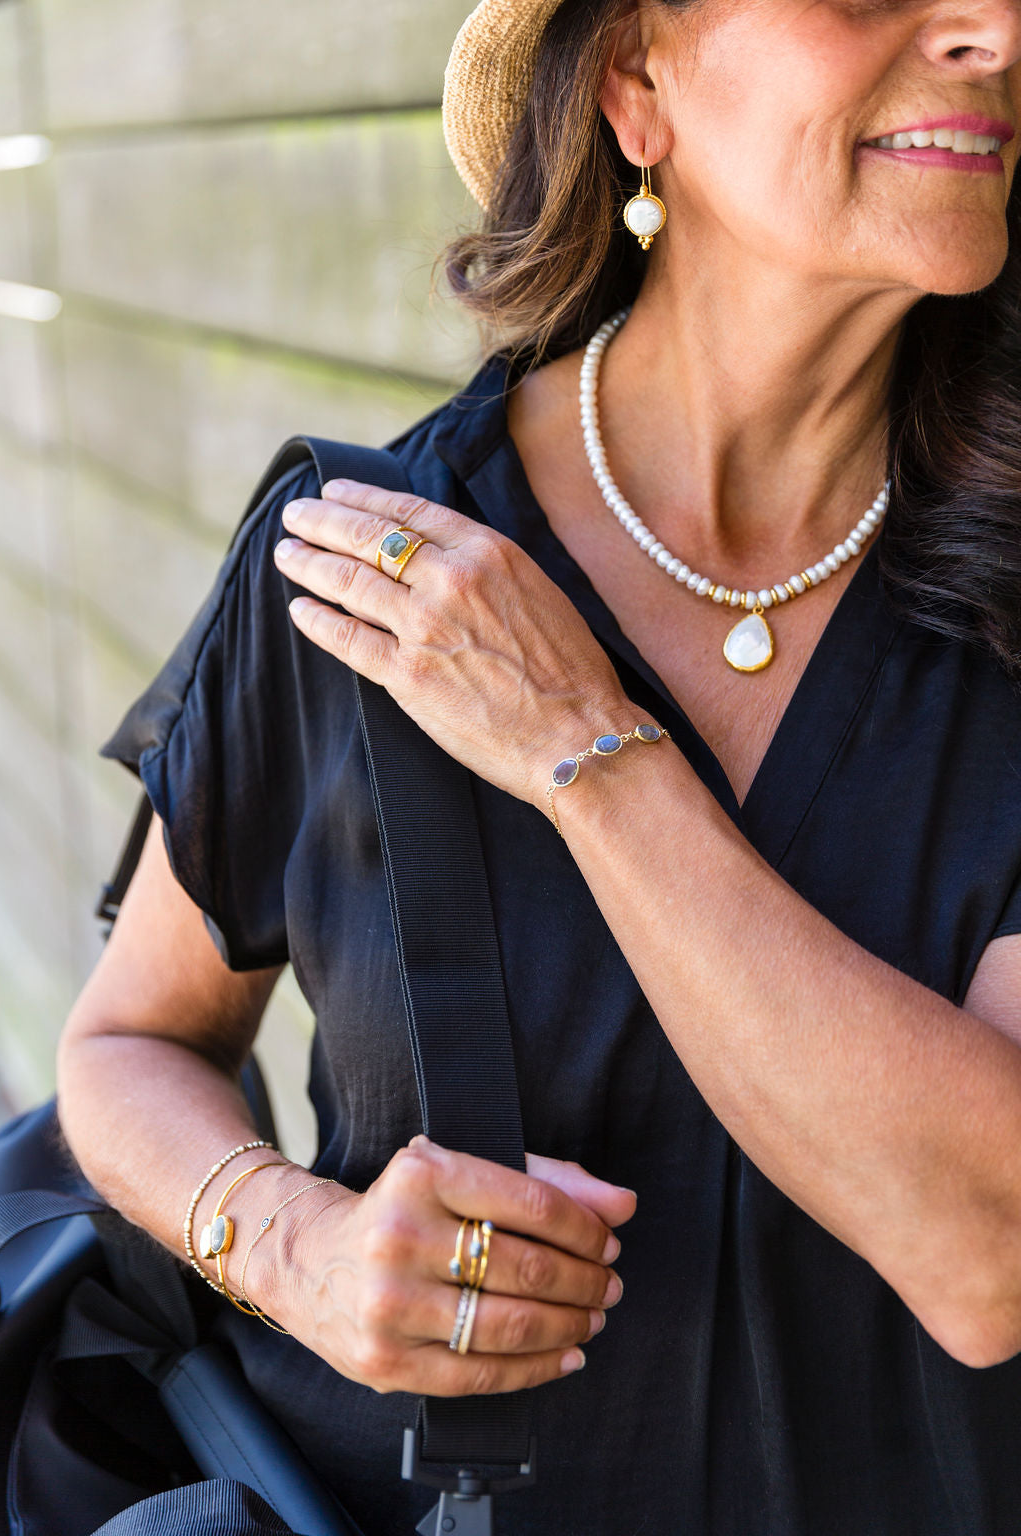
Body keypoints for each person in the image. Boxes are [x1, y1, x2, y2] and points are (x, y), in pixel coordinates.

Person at [56, 0, 1021, 1530]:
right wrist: (293, 1247)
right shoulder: (366, 556)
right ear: (637, 81)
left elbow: (990, 1255)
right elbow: (126, 1047)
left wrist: (586, 748)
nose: (992, 28)